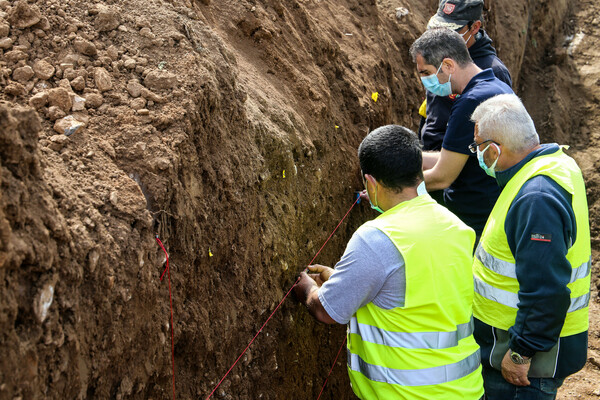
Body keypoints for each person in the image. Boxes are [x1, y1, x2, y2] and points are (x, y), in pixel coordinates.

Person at [294, 125, 484, 399]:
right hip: (466, 389)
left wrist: (309, 290)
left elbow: (326, 311)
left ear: (371, 183)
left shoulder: (376, 238)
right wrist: (347, 280)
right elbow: (418, 294)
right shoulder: (455, 227)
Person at [469, 94, 591, 399]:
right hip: (527, 348)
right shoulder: (554, 164)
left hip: (526, 365)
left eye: (478, 148)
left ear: (494, 149)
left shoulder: (536, 198)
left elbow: (547, 289)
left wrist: (521, 352)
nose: (478, 156)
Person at [409, 27, 513, 239]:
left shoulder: (469, 104)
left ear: (448, 65)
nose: (425, 81)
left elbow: (442, 177)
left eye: (426, 73)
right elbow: (458, 158)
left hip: (473, 222)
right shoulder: (496, 86)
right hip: (494, 211)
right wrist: (407, 159)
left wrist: (391, 188)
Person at [420, 0, 512, 152]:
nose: (442, 39)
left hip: (457, 164)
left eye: (452, 32)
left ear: (475, 27)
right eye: (438, 29)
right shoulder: (438, 57)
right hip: (431, 155)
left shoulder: (494, 73)